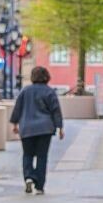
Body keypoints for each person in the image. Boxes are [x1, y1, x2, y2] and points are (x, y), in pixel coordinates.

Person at [9, 66, 64, 195]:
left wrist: (15, 124)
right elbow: (56, 110)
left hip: (27, 128)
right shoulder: (49, 92)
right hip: (45, 128)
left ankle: (28, 176)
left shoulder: (25, 91)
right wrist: (60, 127)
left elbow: (18, 108)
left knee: (27, 154)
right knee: (42, 156)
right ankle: (39, 186)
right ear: (46, 77)